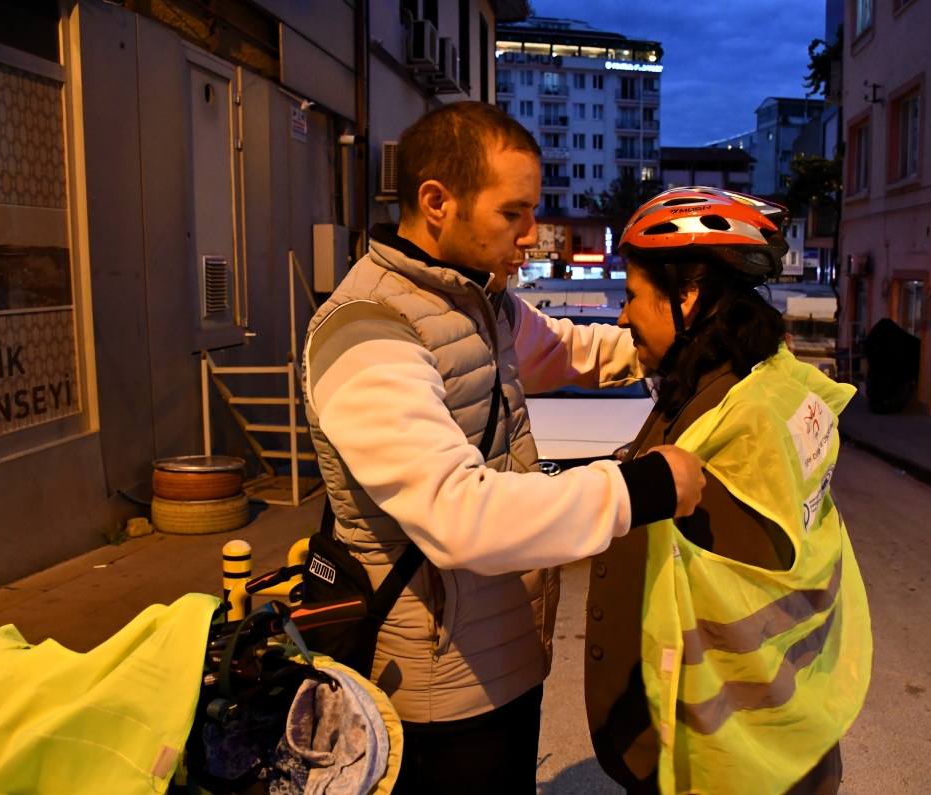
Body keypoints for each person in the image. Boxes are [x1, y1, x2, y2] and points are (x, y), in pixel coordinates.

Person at [300, 102, 706, 794]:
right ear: (437, 202)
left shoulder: (478, 304)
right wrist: (644, 487)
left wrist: (671, 340)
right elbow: (460, 516)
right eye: (512, 213)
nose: (532, 235)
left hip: (502, 659)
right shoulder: (366, 332)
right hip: (434, 695)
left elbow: (572, 351)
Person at [584, 187, 873, 795]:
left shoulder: (728, 423)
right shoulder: (760, 385)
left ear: (686, 297)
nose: (621, 316)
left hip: (729, 759)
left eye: (631, 297)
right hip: (772, 741)